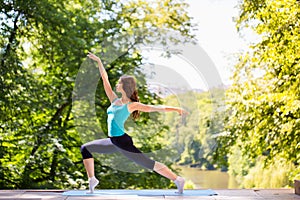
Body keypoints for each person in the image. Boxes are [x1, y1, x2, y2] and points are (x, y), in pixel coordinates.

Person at [80, 52, 187, 194]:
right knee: (85, 148)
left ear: (124, 86)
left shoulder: (131, 105)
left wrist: (176, 109)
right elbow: (104, 79)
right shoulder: (114, 100)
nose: (116, 85)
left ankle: (177, 180)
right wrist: (99, 61)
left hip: (123, 142)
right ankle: (92, 179)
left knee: (148, 163)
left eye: (119, 83)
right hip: (113, 141)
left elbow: (154, 108)